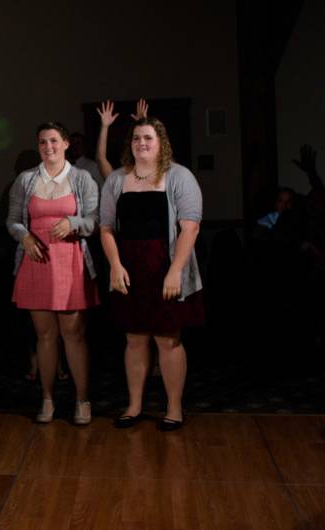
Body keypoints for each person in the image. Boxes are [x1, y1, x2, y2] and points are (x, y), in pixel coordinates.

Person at [100, 117, 204, 431]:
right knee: (134, 339)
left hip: (165, 265)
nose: (141, 143)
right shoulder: (117, 179)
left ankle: (174, 408)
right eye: (136, 138)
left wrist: (174, 271)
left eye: (147, 138)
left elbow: (190, 227)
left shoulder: (179, 176)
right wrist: (115, 266)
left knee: (167, 340)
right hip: (130, 268)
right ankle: (134, 405)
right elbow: (105, 228)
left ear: (160, 142)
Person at [7, 122, 99, 425]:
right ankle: (47, 399)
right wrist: (25, 236)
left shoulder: (82, 178)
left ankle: (82, 399)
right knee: (44, 336)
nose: (48, 147)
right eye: (43, 142)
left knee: (74, 335)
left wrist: (73, 223)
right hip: (37, 261)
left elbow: (94, 220)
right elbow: (13, 221)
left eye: (54, 141)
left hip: (70, 260)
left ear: (66, 144)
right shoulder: (26, 180)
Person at [96, 98, 149, 179]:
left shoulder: (152, 176)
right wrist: (104, 126)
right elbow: (100, 158)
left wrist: (143, 124)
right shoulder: (118, 179)